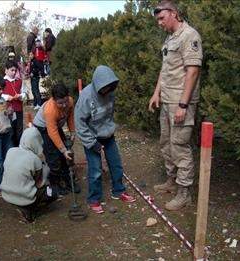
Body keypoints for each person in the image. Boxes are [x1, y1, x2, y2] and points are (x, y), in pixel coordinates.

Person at [148, 0, 203, 211]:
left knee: (180, 145)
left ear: (173, 13)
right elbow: (165, 69)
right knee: (166, 142)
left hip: (181, 102)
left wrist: (183, 104)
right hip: (167, 100)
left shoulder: (189, 36)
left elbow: (193, 71)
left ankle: (184, 193)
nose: (159, 23)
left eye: (162, 18)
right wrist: (156, 93)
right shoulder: (170, 38)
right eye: (158, 20)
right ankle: (171, 180)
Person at [75, 65, 136, 214]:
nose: (107, 90)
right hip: (91, 136)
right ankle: (94, 199)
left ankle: (118, 190)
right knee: (95, 170)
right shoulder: (86, 97)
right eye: (104, 88)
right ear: (97, 84)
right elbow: (79, 123)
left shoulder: (110, 93)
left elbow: (109, 114)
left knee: (116, 164)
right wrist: (92, 143)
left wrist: (108, 131)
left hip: (107, 135)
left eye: (110, 87)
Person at [0, 127, 58, 223]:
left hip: (6, 194)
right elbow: (39, 182)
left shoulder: (11, 151)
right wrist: (46, 168)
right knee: (52, 192)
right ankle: (29, 209)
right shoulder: (35, 159)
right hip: (25, 196)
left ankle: (21, 206)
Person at [33, 83, 81, 196]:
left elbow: (70, 117)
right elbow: (52, 132)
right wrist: (63, 150)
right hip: (43, 128)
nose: (64, 105)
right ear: (54, 100)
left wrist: (72, 131)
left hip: (56, 126)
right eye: (60, 103)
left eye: (65, 101)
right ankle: (55, 183)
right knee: (54, 157)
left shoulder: (70, 101)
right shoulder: (50, 110)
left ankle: (68, 180)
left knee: (66, 157)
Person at [2, 61, 27, 146]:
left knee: (19, 128)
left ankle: (19, 146)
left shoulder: (19, 81)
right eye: (11, 70)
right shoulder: (3, 82)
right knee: (10, 129)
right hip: (8, 110)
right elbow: (0, 94)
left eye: (15, 71)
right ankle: (11, 147)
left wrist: (21, 96)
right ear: (6, 70)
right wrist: (7, 97)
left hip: (18, 108)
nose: (13, 72)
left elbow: (24, 92)